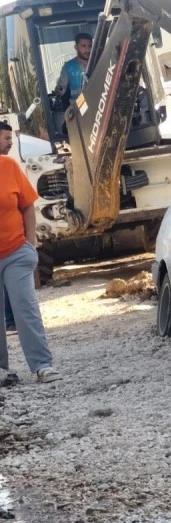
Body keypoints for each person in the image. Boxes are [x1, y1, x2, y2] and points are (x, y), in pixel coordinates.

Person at [0, 122, 61, 384]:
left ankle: (42, 366)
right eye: (5, 138)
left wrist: (30, 243)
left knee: (26, 309)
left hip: (15, 252)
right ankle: (2, 370)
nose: (10, 142)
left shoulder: (9, 167)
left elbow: (27, 206)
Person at [54, 33, 92, 104]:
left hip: (99, 104)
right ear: (76, 48)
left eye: (90, 46)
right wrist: (58, 90)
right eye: (83, 46)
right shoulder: (68, 67)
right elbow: (61, 89)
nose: (87, 50)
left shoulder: (98, 62)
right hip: (77, 107)